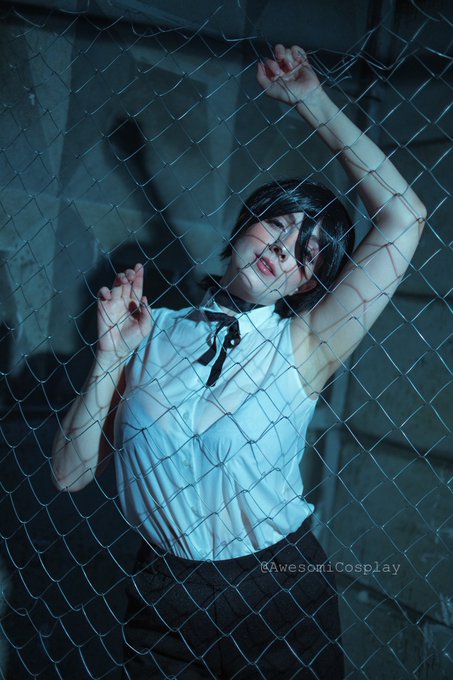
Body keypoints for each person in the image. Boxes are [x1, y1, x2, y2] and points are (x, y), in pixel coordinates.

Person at [52, 44, 426, 679]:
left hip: (279, 590)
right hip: (163, 595)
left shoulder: (305, 345)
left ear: (309, 284)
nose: (283, 250)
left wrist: (312, 101)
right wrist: (111, 357)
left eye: (306, 253)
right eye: (277, 226)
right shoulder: (149, 331)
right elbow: (69, 476)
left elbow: (404, 217)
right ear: (245, 223)